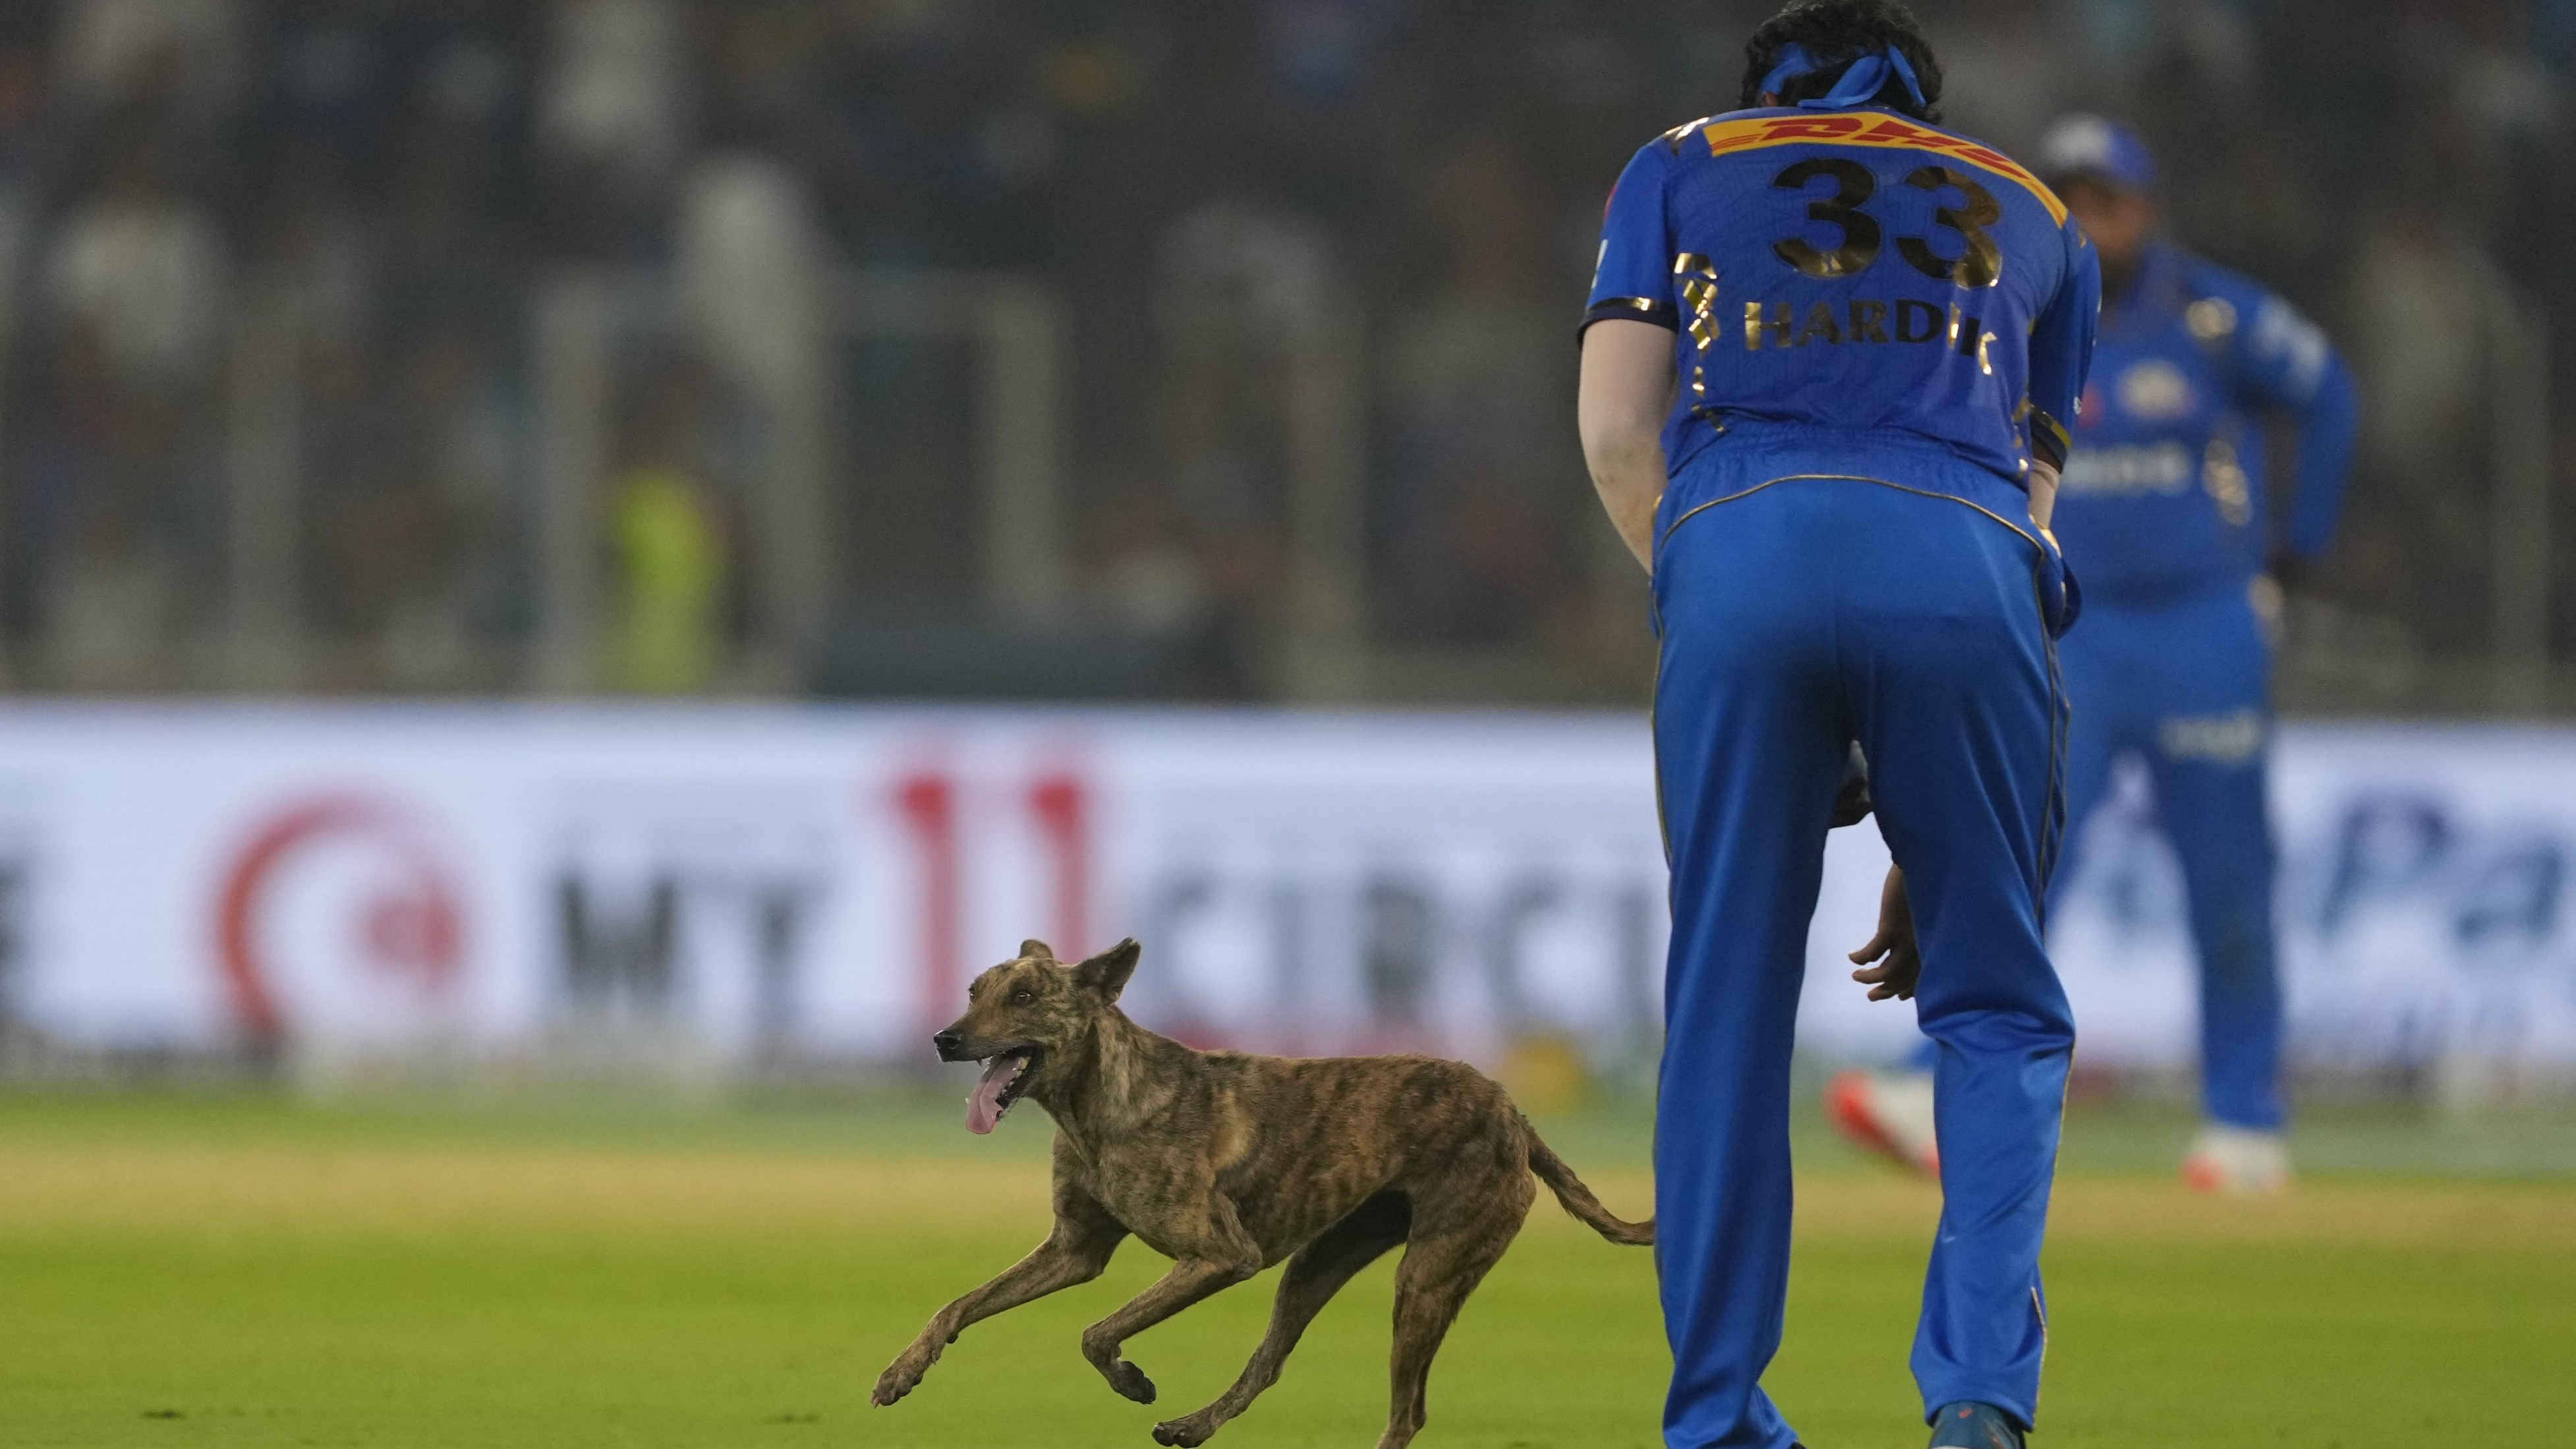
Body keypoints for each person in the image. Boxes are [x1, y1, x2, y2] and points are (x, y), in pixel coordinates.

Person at [1576, 4, 2097, 1448]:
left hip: (1735, 541)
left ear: (1762, 92)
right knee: (1993, 1003)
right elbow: (2028, 518)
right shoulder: (2038, 208)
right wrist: (1947, 822)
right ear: (1921, 113)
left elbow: (1619, 428)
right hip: (1964, 560)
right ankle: (1979, 1398)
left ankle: (1719, 1415)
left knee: (1726, 999)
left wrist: (1708, 588)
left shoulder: (1675, 163)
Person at [1827, 115, 2358, 1195]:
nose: (2090, 221)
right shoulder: (2011, 307)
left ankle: (2245, 1123)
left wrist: (2297, 551)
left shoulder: (2211, 316)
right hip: (2068, 628)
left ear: (2144, 211)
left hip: (2201, 627)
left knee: (2226, 876)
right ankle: (1933, 1084)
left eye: (2106, 201)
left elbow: (2329, 394)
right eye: (2069, 198)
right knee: (2011, 855)